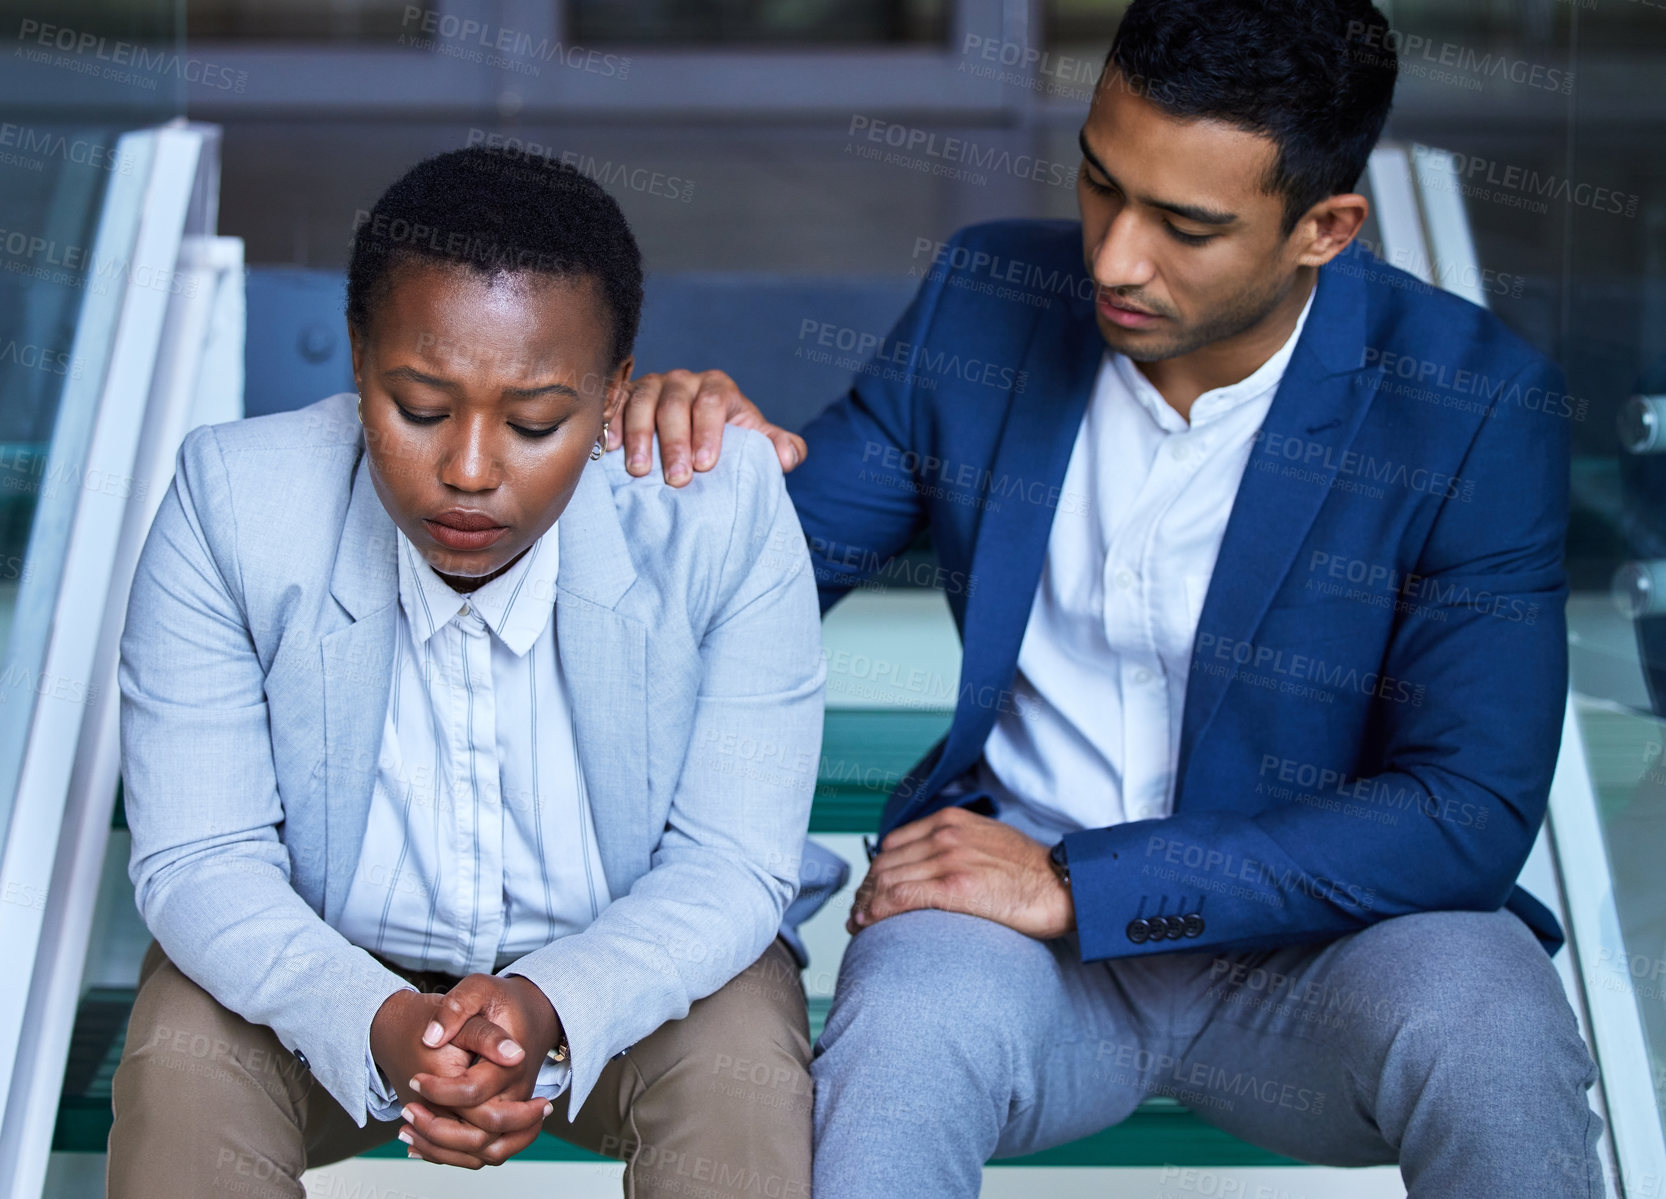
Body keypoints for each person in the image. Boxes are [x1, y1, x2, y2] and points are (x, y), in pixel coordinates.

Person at [619, 1, 1602, 1195]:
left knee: (1493, 1020)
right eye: (1099, 184)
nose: (1112, 258)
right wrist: (676, 461)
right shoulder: (989, 296)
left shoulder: (1471, 402)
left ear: (1325, 228)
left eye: (1186, 225)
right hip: (1009, 947)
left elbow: (1463, 812)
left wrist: (1083, 883)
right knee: (901, 1038)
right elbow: (760, 568)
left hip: (1329, 954)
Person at [109, 146, 826, 1198]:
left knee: (740, 1066)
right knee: (184, 1055)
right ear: (357, 362)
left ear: (615, 393)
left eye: (536, 421)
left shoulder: (719, 511)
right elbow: (199, 856)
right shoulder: (233, 502)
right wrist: (381, 1017)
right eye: (420, 406)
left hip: (626, 965)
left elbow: (732, 864)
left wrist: (545, 1001)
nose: (472, 470)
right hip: (321, 964)